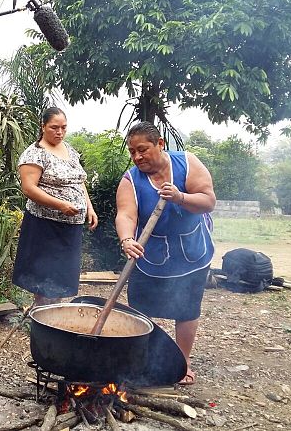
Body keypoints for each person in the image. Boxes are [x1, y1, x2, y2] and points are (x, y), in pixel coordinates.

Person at [115, 121, 216, 386]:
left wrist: (181, 197)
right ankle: (143, 358)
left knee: (187, 307)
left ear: (160, 144)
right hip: (151, 252)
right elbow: (126, 214)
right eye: (132, 151)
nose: (137, 156)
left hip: (191, 250)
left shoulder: (187, 163)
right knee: (139, 305)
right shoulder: (131, 180)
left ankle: (182, 362)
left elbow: (208, 200)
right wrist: (126, 239)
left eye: (143, 149)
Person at [12, 107, 98, 306]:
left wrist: (89, 207)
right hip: (45, 227)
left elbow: (78, 181)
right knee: (44, 282)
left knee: (60, 280)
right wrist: (60, 205)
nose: (59, 132)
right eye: (54, 128)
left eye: (63, 128)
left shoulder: (69, 150)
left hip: (70, 227)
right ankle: (42, 323)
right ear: (43, 127)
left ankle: (54, 320)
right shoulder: (34, 154)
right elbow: (29, 188)